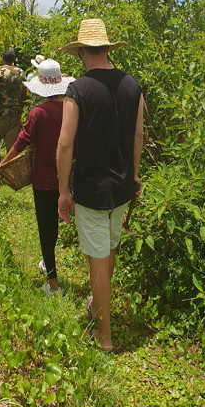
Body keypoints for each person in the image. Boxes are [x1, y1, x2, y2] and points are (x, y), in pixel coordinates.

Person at [55, 19, 144, 354]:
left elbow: (65, 144)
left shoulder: (77, 90)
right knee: (108, 251)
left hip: (91, 190)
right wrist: (133, 175)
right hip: (121, 186)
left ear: (80, 52)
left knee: (98, 259)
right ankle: (99, 304)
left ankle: (104, 336)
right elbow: (137, 137)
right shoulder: (132, 85)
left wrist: (64, 190)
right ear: (108, 48)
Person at [0, 55, 75, 296]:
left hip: (42, 179)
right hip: (65, 180)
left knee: (44, 228)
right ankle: (48, 265)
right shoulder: (72, 110)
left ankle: (53, 284)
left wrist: (1, 166)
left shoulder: (39, 112)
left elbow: (22, 142)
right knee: (54, 224)